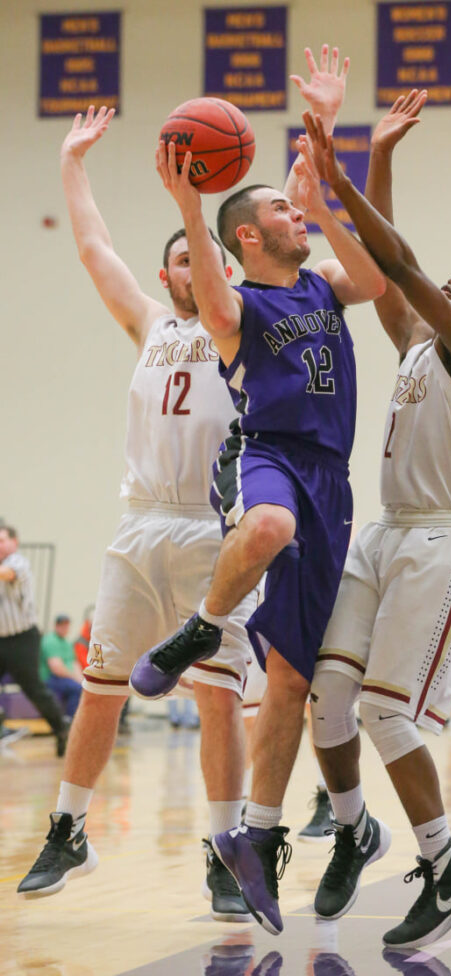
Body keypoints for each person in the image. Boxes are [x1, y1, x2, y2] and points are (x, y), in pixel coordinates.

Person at [129, 47, 385, 936]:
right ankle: (204, 623)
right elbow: (208, 293)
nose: (292, 212)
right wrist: (190, 207)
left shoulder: (322, 284)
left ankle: (259, 837)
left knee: (291, 676)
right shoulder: (238, 305)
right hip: (267, 455)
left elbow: (375, 277)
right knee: (268, 522)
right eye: (279, 208)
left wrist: (323, 184)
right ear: (246, 236)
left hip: (332, 481)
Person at [17, 106, 256, 920]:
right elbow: (93, 249)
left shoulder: (243, 325)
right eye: (186, 259)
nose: (199, 267)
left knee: (217, 697)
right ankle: (68, 829)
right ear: (166, 274)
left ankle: (224, 850)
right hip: (141, 522)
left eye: (209, 258)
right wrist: (72, 162)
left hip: (214, 528)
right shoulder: (149, 323)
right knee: (101, 686)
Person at [297, 93, 451, 948]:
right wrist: (382, 154)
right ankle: (356, 827)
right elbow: (388, 269)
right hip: (386, 530)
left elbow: (398, 259)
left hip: (441, 538)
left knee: (387, 714)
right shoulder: (416, 346)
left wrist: (341, 180)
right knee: (328, 694)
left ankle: (447, 866)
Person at [0, 526, 68, 756]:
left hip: (22, 639)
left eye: (2, 540)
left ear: (15, 542)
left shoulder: (18, 562)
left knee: (33, 688)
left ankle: (61, 729)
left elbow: (8, 574)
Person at [39, 614, 84, 720]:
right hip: (50, 678)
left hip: (66, 678)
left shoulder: (67, 643)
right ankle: (70, 719)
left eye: (66, 625)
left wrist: (82, 680)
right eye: (62, 625)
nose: (64, 628)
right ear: (56, 626)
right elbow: (56, 668)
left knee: (84, 688)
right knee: (77, 688)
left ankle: (75, 719)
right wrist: (75, 678)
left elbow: (74, 664)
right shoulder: (50, 641)